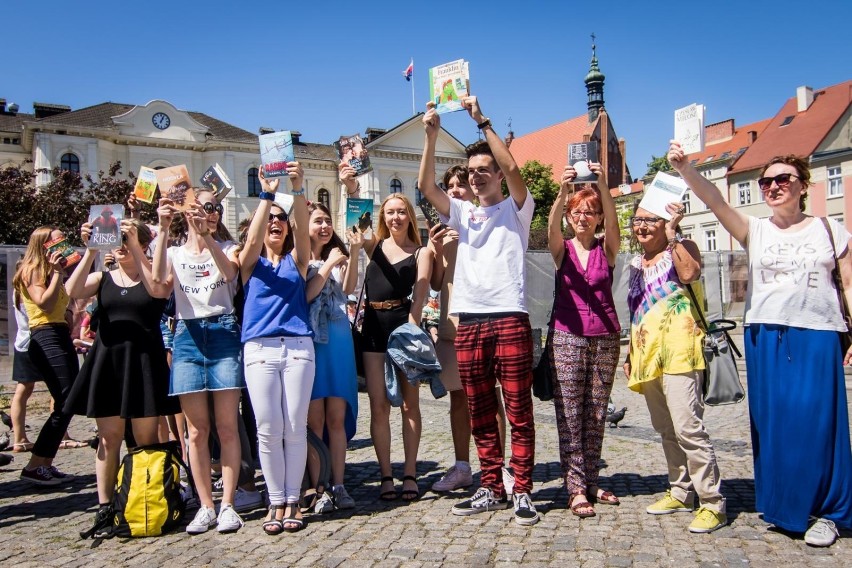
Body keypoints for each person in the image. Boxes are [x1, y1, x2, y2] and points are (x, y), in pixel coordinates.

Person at [667, 142, 852, 546]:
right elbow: (714, 199)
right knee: (774, 424)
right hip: (765, 333)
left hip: (817, 332)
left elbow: (849, 283)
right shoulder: (756, 229)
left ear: (803, 185)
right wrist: (685, 169)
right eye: (766, 181)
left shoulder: (829, 229)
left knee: (820, 423)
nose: (772, 186)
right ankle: (788, 506)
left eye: (782, 179)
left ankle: (832, 511)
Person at [418, 96, 539, 526]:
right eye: (472, 172)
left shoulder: (517, 209)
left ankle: (521, 488)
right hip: (468, 319)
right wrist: (431, 136)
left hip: (509, 315)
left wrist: (481, 121)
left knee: (518, 409)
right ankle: (490, 484)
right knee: (480, 409)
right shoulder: (464, 212)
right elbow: (427, 188)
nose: (478, 175)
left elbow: (513, 170)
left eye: (484, 169)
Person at [64, 218, 180, 537]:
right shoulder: (103, 277)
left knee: (145, 439)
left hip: (143, 361)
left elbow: (159, 289)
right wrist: (90, 251)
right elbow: (72, 291)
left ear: (141, 244)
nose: (119, 244)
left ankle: (146, 499)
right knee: (108, 437)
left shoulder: (150, 274)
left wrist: (135, 248)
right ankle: (105, 507)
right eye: (115, 239)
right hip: (109, 362)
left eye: (126, 239)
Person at [623, 201, 726, 534]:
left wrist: (671, 236)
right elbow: (637, 310)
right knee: (666, 428)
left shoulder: (682, 247)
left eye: (650, 220)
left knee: (688, 428)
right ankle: (680, 491)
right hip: (646, 353)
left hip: (682, 351)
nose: (642, 227)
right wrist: (630, 352)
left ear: (665, 222)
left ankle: (713, 502)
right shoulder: (636, 263)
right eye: (637, 220)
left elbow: (689, 274)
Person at [150, 188, 244, 534]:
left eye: (215, 207)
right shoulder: (174, 252)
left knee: (226, 426)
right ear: (186, 210)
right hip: (187, 335)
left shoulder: (228, 246)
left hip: (222, 330)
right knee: (195, 431)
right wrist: (161, 230)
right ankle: (206, 505)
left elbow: (231, 275)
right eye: (204, 206)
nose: (211, 211)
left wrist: (208, 237)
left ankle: (229, 504)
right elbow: (159, 287)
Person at [417, 159, 513, 495]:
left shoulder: (482, 221)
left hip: (485, 318)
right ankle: (462, 466)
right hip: (451, 322)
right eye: (451, 186)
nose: (456, 190)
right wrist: (441, 248)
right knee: (458, 399)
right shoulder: (441, 231)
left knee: (493, 397)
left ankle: (498, 468)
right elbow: (438, 282)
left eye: (461, 184)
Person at [238, 166, 315, 534]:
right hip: (259, 350)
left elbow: (302, 230)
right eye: (270, 220)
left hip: (298, 348)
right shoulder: (248, 263)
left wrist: (296, 189)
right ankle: (275, 500)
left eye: (280, 221)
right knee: (267, 428)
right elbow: (250, 243)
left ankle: (293, 499)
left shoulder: (296, 262)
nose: (276, 224)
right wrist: (267, 197)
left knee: (294, 427)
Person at [546, 163, 621, 518]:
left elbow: (614, 221)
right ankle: (575, 488)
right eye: (577, 212)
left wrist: (603, 185)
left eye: (590, 212)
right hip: (567, 337)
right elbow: (549, 233)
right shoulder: (564, 250)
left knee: (595, 413)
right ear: (569, 216)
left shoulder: (608, 248)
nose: (583, 217)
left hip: (605, 338)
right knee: (571, 415)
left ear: (598, 218)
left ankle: (591, 480)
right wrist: (562, 195)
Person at [355, 192, 432, 502]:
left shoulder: (421, 251)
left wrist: (412, 329)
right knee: (379, 405)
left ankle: (410, 473)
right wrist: (350, 185)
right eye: (390, 212)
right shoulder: (373, 245)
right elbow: (355, 216)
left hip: (404, 327)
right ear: (382, 217)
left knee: (410, 405)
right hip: (373, 327)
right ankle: (386, 474)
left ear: (410, 216)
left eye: (401, 212)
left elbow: (423, 289)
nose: (396, 217)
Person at [304, 198, 359, 513]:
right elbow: (308, 293)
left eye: (327, 221)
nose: (324, 227)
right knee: (315, 420)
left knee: (336, 418)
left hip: (338, 341)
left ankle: (339, 484)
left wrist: (353, 254)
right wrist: (325, 266)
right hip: (311, 344)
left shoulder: (339, 256)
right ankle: (318, 486)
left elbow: (350, 287)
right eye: (317, 221)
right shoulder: (298, 260)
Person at [12, 227, 78, 485]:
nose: (62, 243)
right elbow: (44, 304)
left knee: (68, 401)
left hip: (59, 333)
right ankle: (35, 464)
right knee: (66, 399)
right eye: (57, 239)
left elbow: (63, 306)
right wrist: (57, 275)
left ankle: (43, 463)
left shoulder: (52, 273)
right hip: (45, 335)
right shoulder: (32, 270)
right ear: (44, 244)